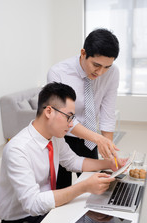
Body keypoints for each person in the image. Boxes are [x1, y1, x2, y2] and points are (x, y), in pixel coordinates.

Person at [0, 82, 124, 223]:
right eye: (69, 116)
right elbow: (32, 204)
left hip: (47, 209)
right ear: (49, 111)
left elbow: (73, 162)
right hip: (21, 221)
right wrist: (83, 187)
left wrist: (110, 164)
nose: (71, 124)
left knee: (96, 221)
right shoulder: (18, 149)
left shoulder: (54, 138)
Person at [47, 28, 120, 188]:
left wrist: (108, 151)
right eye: (96, 65)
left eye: (107, 67)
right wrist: (98, 138)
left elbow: (107, 112)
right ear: (83, 53)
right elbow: (62, 117)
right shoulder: (58, 73)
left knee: (92, 189)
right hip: (61, 137)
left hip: (90, 139)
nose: (100, 72)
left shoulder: (112, 73)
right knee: (62, 190)